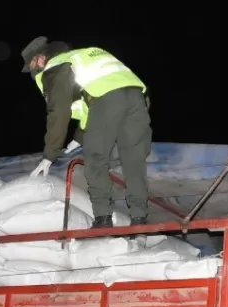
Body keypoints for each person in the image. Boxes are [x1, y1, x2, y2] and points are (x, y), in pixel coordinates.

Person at [21, 36, 153, 229]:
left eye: (32, 65)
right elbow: (89, 105)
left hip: (106, 100)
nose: (32, 71)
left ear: (41, 58)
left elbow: (58, 111)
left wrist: (50, 155)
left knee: (96, 158)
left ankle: (103, 218)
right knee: (134, 161)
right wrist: (78, 139)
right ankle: (139, 218)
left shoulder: (56, 67)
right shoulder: (84, 56)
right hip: (138, 99)